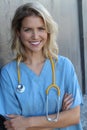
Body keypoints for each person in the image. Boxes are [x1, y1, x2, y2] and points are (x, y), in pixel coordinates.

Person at [0, 1, 83, 130]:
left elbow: (74, 117)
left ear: (48, 31)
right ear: (18, 32)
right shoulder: (8, 74)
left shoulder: (64, 66)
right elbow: (14, 126)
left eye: (41, 29)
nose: (35, 36)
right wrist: (60, 117)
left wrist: (28, 122)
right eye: (28, 30)